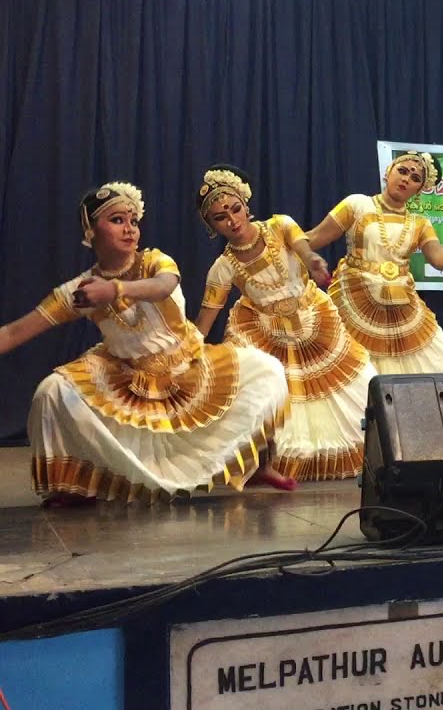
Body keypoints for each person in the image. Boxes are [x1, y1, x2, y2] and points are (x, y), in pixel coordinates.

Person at [4, 182, 292, 504]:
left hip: (188, 367)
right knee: (52, 392)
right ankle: (72, 483)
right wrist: (100, 292)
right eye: (117, 220)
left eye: (134, 221)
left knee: (266, 370)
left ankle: (258, 465)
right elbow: (16, 332)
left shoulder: (155, 261)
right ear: (90, 231)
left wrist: (114, 290)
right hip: (131, 378)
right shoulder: (82, 289)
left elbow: (163, 286)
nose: (129, 229)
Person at [194, 165, 378, 482]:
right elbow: (203, 323)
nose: (233, 221)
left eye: (236, 209)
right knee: (271, 391)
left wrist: (313, 261)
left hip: (311, 319)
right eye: (221, 218)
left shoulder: (280, 226)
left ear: (246, 205)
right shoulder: (223, 267)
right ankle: (269, 462)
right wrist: (184, 352)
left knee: (358, 385)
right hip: (264, 332)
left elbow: (304, 248)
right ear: (212, 227)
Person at [307, 150, 443, 373]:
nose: (407, 179)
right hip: (356, 296)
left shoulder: (420, 223)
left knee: (439, 355)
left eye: (415, 178)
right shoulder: (357, 205)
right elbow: (315, 237)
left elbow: (437, 257)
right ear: (389, 172)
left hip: (399, 302)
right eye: (403, 171)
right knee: (358, 364)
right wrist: (280, 237)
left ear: (419, 190)